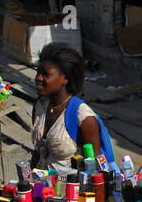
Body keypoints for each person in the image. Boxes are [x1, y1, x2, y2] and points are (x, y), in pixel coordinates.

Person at [30, 43, 115, 171]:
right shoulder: (40, 105)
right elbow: (38, 152)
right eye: (38, 72)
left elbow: (96, 167)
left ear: (65, 78)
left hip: (69, 189)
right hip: (40, 188)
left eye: (45, 74)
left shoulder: (83, 117)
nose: (38, 78)